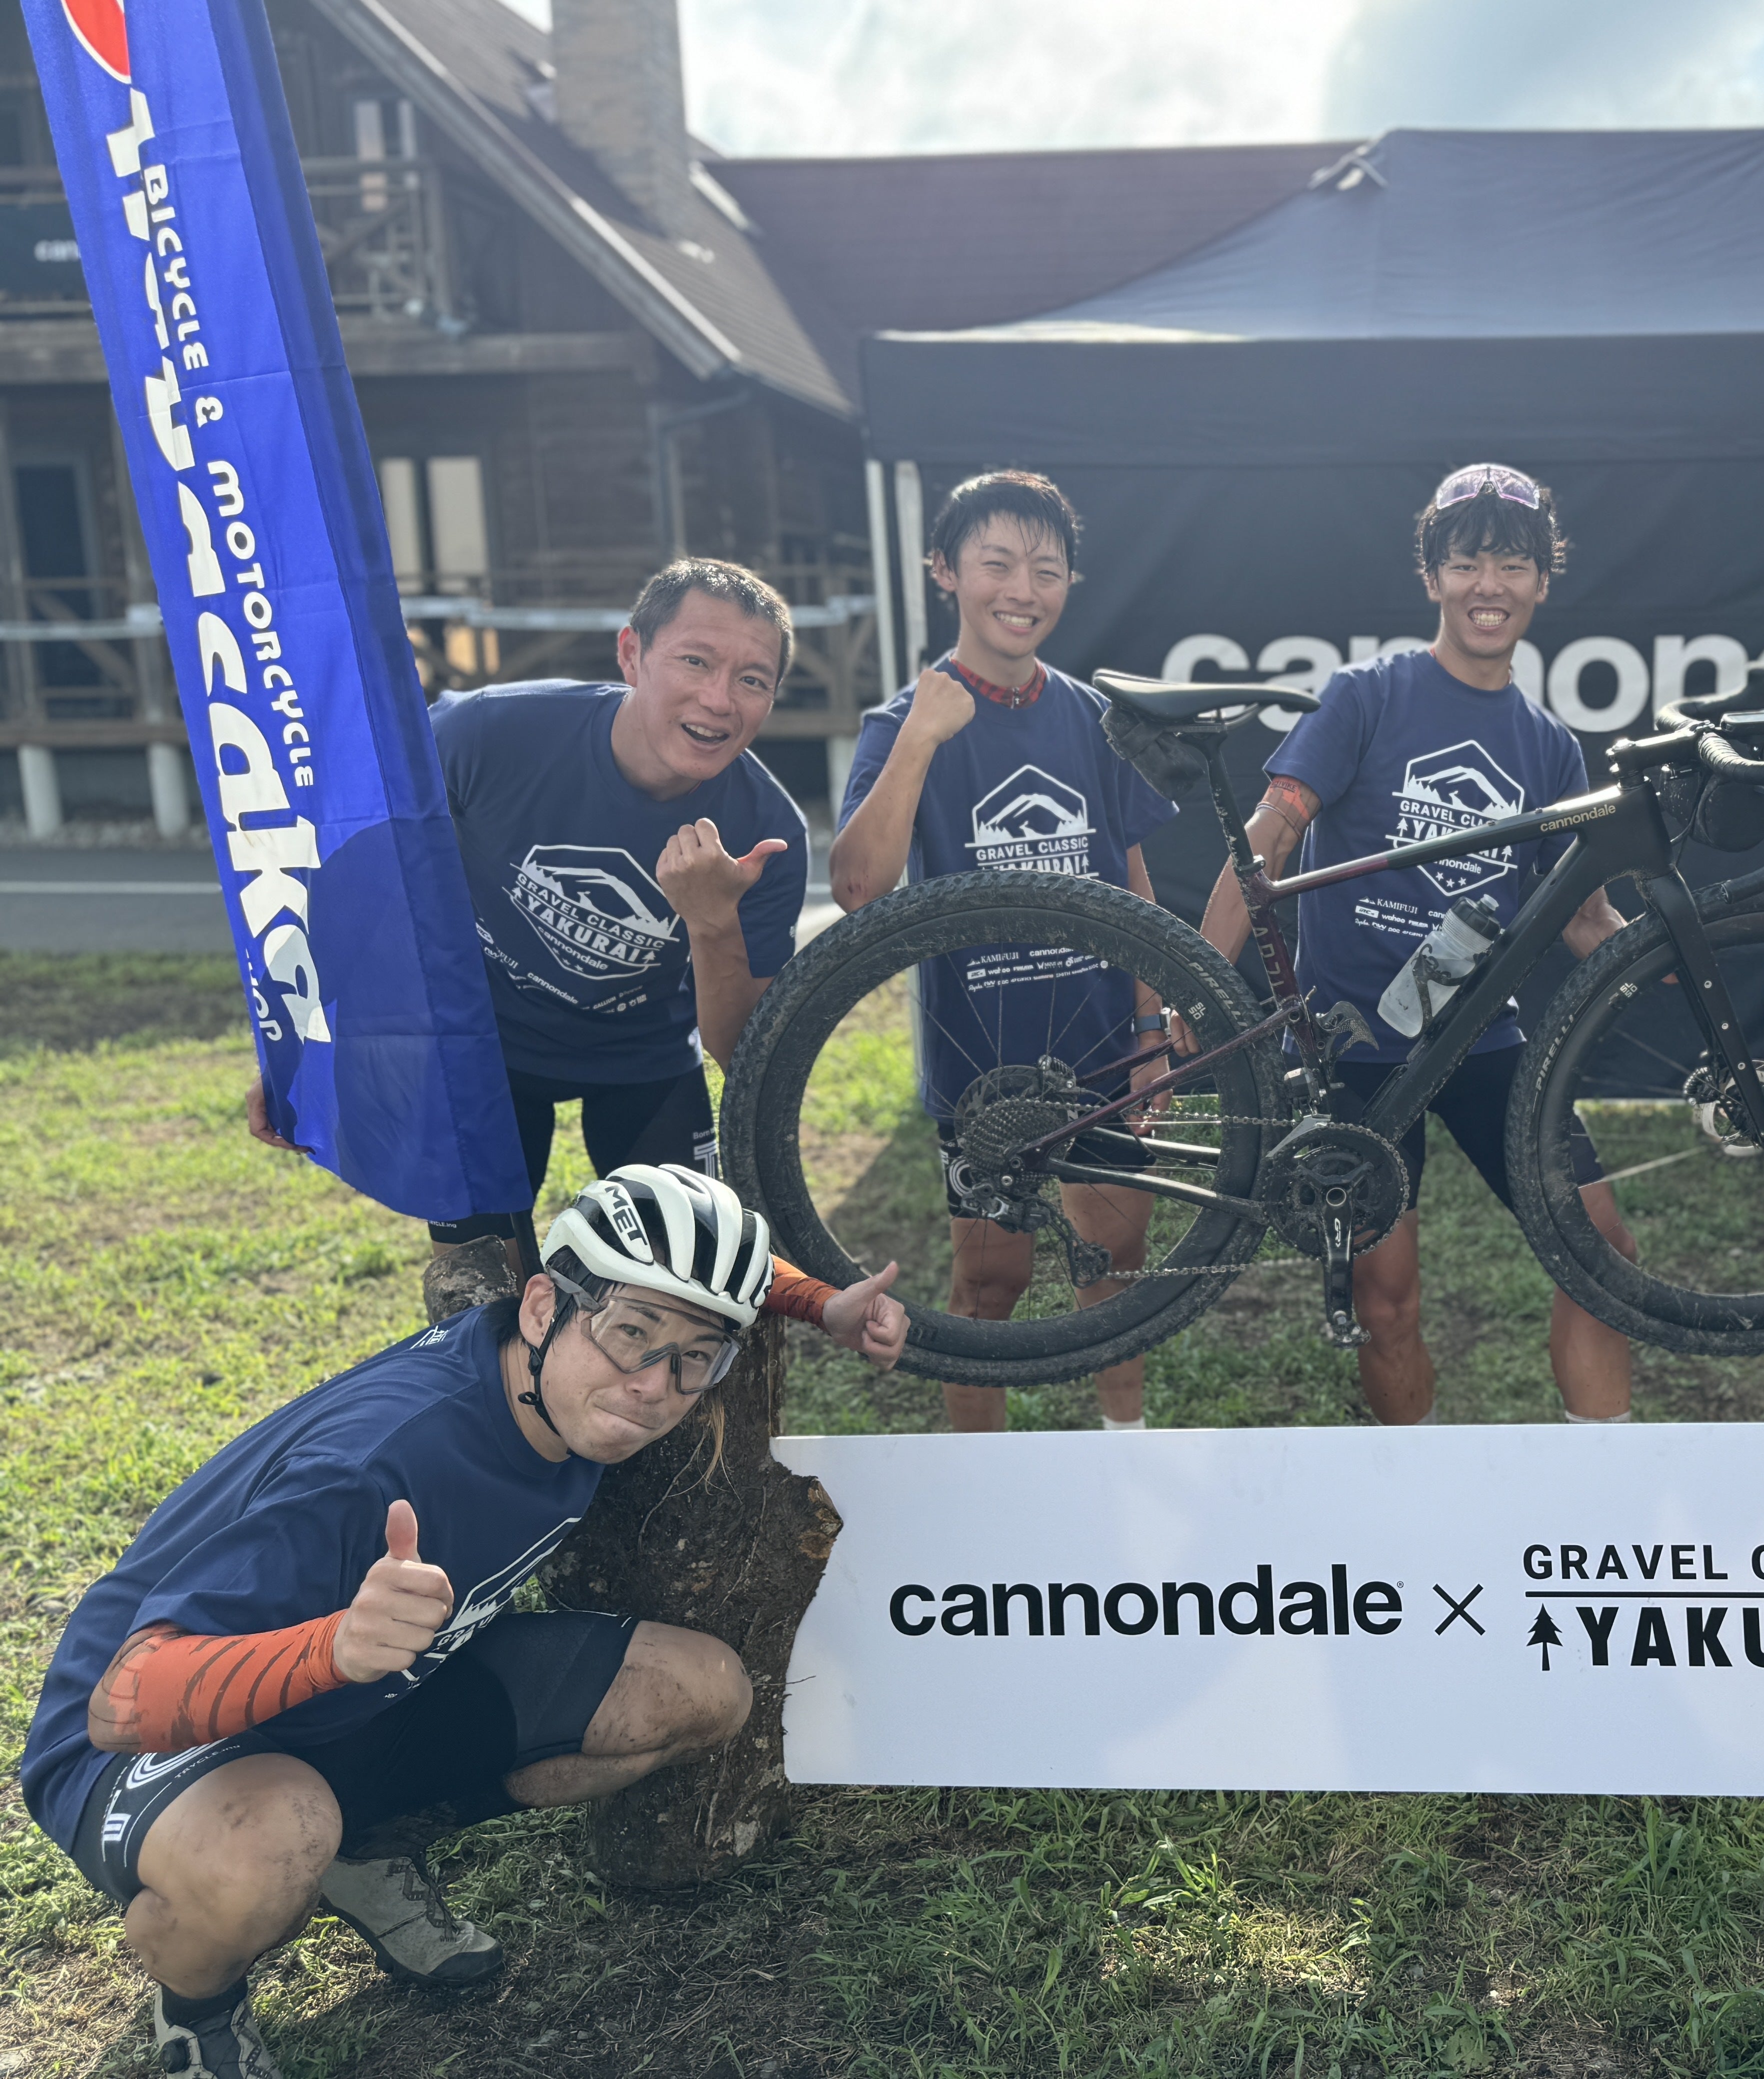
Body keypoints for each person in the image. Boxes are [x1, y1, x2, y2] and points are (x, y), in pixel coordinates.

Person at [15, 1166, 908, 2079]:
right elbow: (122, 1702)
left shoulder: (553, 1377)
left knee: (700, 1692)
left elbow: (709, 1284)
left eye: (696, 1357)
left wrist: (819, 1303)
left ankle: (362, 1848)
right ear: (542, 1308)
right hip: (151, 1742)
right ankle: (197, 2009)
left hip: (372, 1688)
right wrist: (332, 1648)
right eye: (632, 1334)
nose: (654, 1384)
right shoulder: (374, 1463)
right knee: (269, 1846)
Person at [246, 557, 813, 1310]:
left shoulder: (767, 832)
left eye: (752, 679)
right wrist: (297, 1046)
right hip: (485, 1046)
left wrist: (713, 924)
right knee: (481, 1298)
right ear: (632, 654)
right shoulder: (487, 733)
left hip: (644, 1060)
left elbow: (741, 1051)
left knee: (685, 1298)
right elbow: (355, 874)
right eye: (695, 661)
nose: (719, 699)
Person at [1196, 463, 1638, 1427]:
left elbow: (1584, 918)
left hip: (1481, 1036)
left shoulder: (1550, 746)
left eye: (1512, 564)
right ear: (1433, 575)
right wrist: (1194, 986)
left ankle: (1599, 1470)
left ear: (1542, 581)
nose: (1490, 585)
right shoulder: (1366, 696)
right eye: (1468, 562)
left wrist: (1675, 962)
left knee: (1602, 1254)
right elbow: (1266, 842)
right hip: (1354, 1047)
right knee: (1386, 1301)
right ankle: (1414, 1488)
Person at [829, 471, 1176, 1432]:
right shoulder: (902, 723)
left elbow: (1132, 878)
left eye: (1047, 570)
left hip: (1102, 1047)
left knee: (1116, 1266)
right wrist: (921, 739)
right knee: (990, 1287)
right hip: (979, 1064)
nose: (1023, 590)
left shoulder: (1093, 718)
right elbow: (858, 888)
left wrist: (1153, 1024)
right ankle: (981, 1477)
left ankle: (1125, 1449)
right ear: (945, 570)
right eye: (997, 563)